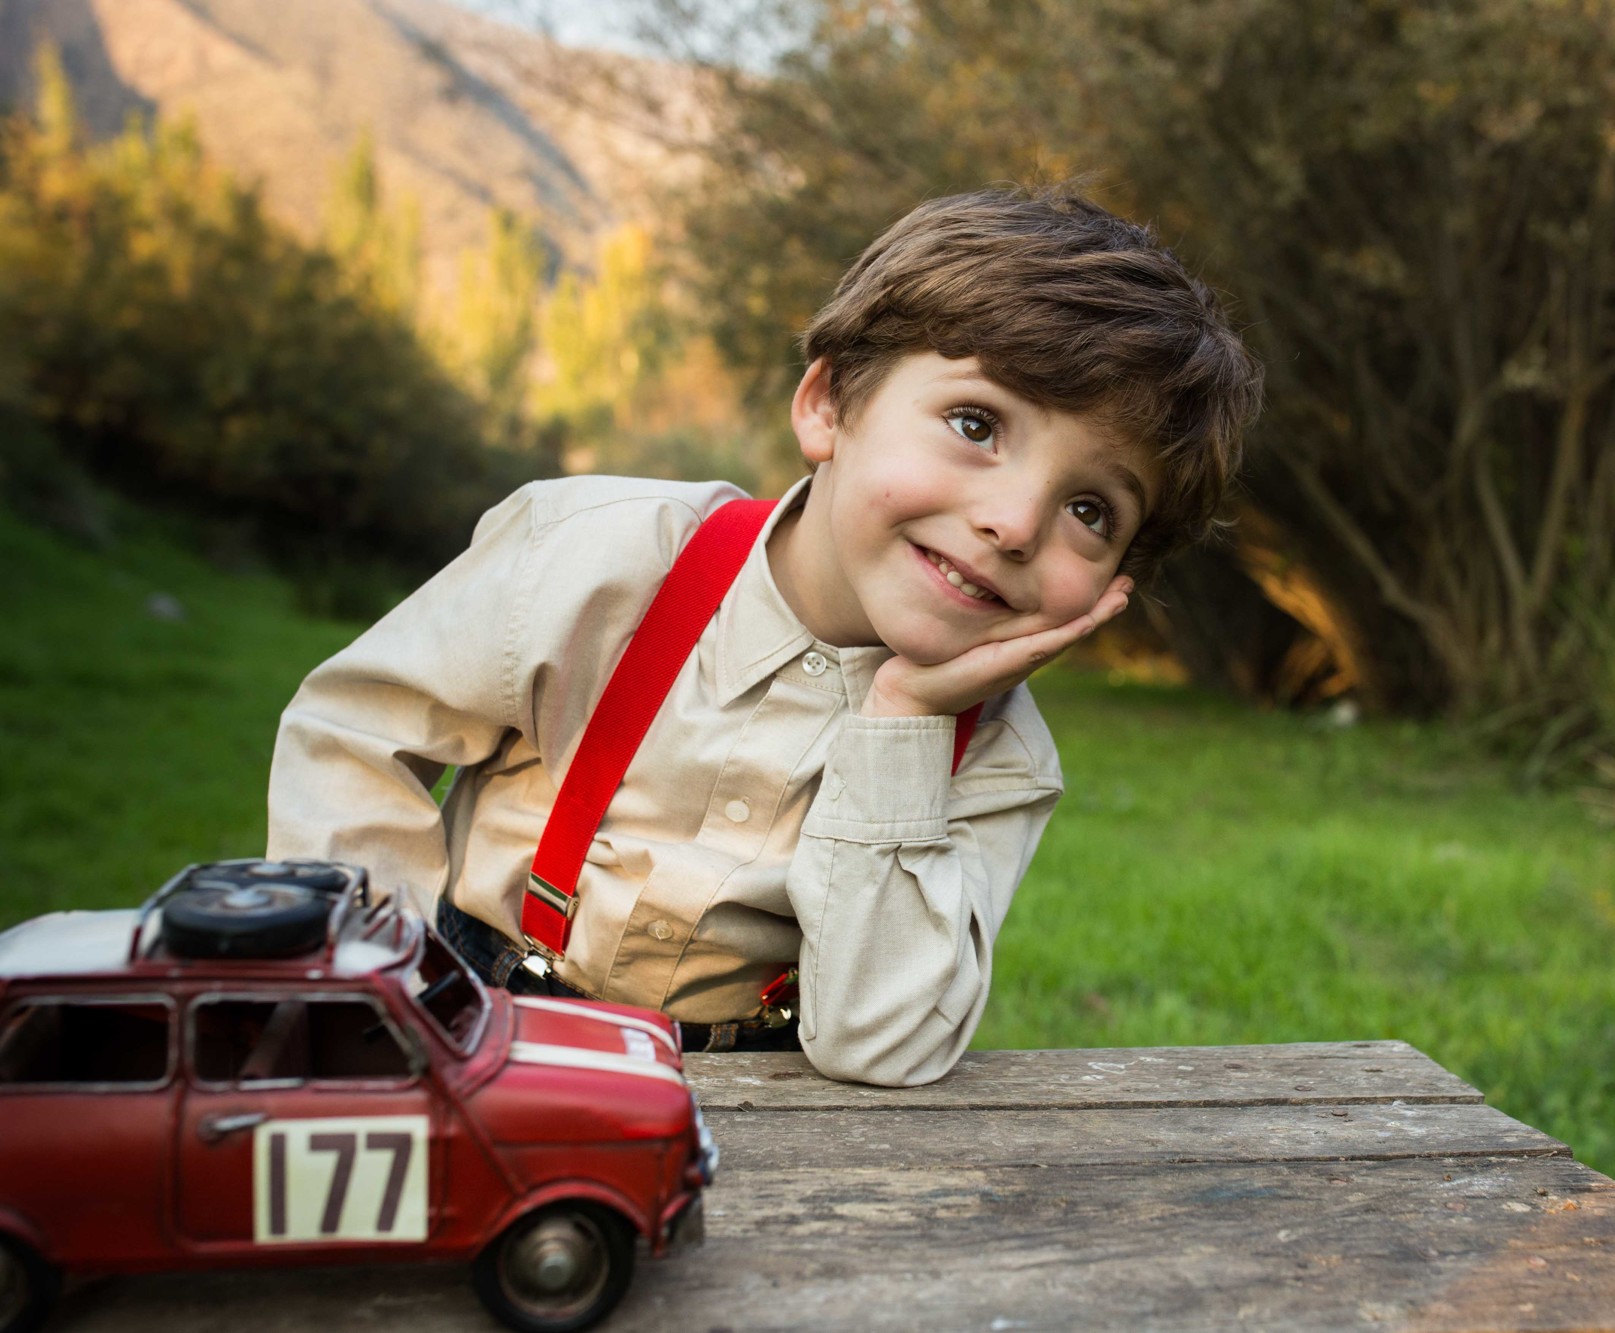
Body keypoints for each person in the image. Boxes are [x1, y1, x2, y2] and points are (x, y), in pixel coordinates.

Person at [266, 185, 1263, 1086]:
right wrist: (377, 1001)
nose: (1013, 521)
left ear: (1115, 580)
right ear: (828, 404)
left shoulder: (1001, 760)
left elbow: (883, 1044)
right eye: (975, 424)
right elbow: (355, 732)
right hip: (471, 1031)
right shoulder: (594, 561)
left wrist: (906, 721)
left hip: (770, 1103)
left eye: (1090, 509)